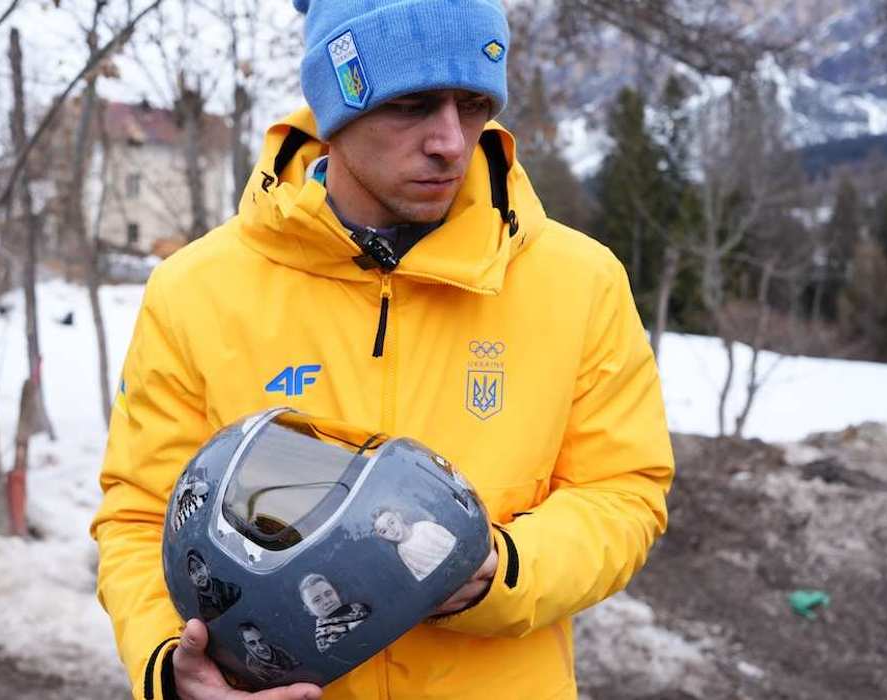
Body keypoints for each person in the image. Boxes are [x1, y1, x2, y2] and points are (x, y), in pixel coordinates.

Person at [91, 0, 675, 698]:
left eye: (474, 104)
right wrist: (171, 666)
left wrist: (506, 568)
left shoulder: (579, 281)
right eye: (411, 104)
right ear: (335, 105)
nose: (450, 142)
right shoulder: (197, 289)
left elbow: (623, 490)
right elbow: (143, 514)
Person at [372, 509, 457, 581]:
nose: (392, 530)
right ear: (381, 537)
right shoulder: (401, 550)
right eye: (384, 531)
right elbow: (419, 575)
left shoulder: (424, 527)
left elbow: (452, 544)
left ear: (398, 516)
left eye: (391, 522)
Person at [297, 574, 371, 652]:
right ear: (309, 609)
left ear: (336, 592)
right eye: (317, 600)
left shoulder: (360, 607)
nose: (327, 601)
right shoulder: (324, 638)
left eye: (328, 593)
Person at [186, 551, 242, 621]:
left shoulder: (228, 589)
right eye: (193, 572)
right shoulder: (199, 607)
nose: (199, 575)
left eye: (199, 567)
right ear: (191, 579)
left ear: (207, 568)